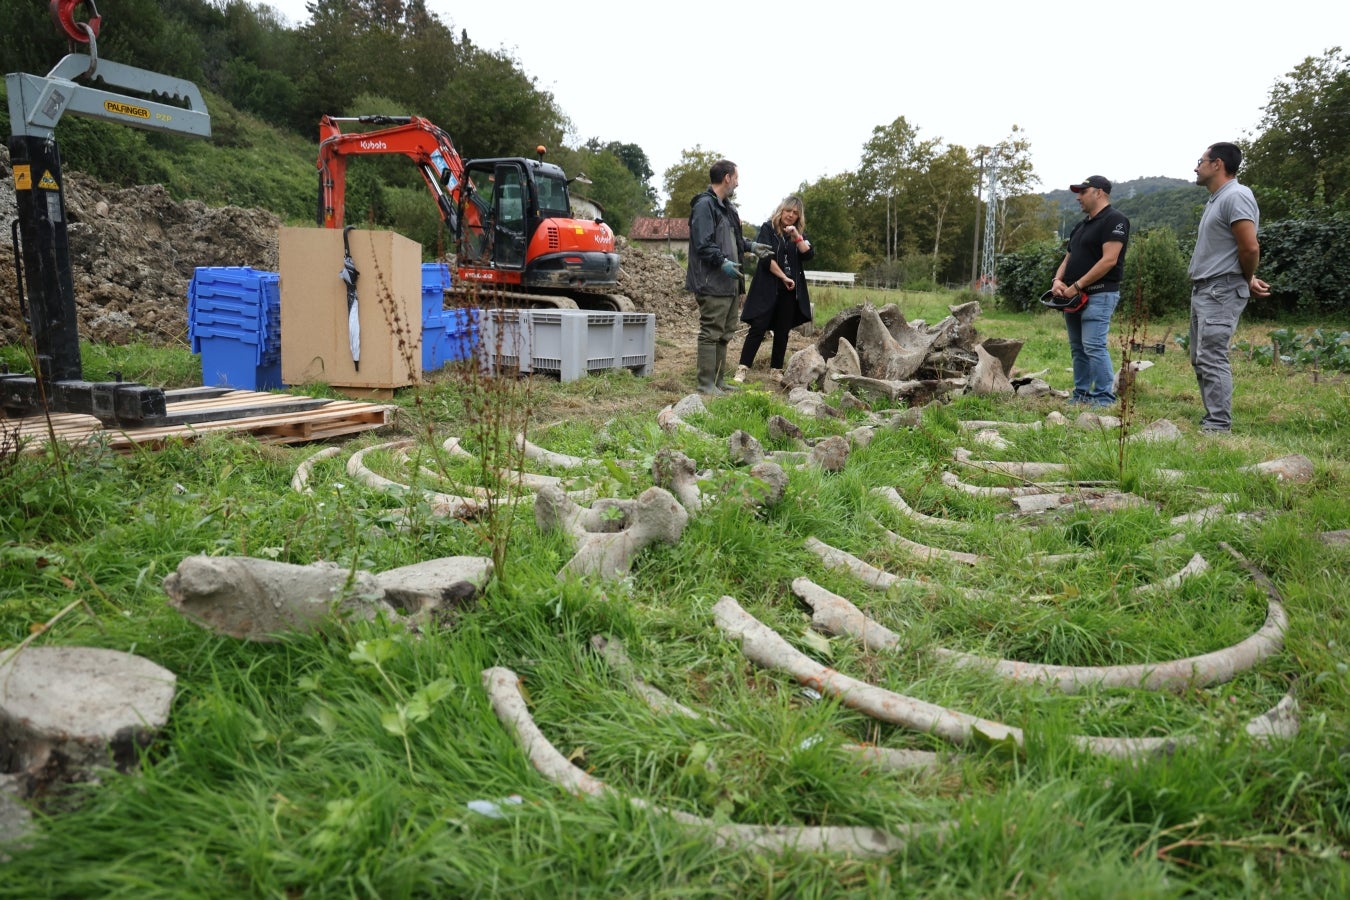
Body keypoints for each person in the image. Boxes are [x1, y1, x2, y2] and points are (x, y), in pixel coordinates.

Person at [1188, 142, 1270, 433]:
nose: (1196, 167)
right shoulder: (1217, 199)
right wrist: (1247, 277)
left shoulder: (1236, 195)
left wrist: (1245, 277)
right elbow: (1230, 250)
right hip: (1206, 288)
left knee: (1212, 356)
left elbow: (1250, 247)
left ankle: (1218, 425)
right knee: (1200, 357)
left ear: (1217, 164)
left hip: (1220, 289)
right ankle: (1213, 418)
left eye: (1201, 161)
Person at [684, 159, 770, 395]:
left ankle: (718, 380)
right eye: (736, 178)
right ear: (727, 178)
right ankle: (705, 383)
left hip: (730, 283)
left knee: (725, 333)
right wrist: (722, 261)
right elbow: (703, 244)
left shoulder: (728, 208)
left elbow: (735, 240)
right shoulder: (704, 205)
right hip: (711, 282)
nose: (738, 184)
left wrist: (752, 246)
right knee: (711, 332)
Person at [1051, 175, 1130, 407]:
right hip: (1073, 297)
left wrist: (1077, 285)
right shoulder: (1081, 225)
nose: (1078, 197)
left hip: (1099, 293)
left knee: (1094, 345)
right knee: (1078, 348)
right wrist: (1057, 280)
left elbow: (1109, 260)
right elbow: (1068, 258)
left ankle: (1104, 397)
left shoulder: (1115, 220)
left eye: (1083, 192)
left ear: (1099, 192)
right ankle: (1081, 395)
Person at [734, 196, 814, 384]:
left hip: (789, 291)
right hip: (767, 287)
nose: (791, 215)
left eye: (795, 213)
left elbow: (808, 254)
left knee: (782, 330)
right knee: (758, 327)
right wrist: (783, 277)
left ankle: (776, 370)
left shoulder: (799, 234)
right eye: (788, 211)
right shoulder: (768, 228)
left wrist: (797, 236)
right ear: (781, 210)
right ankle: (742, 368)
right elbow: (765, 258)